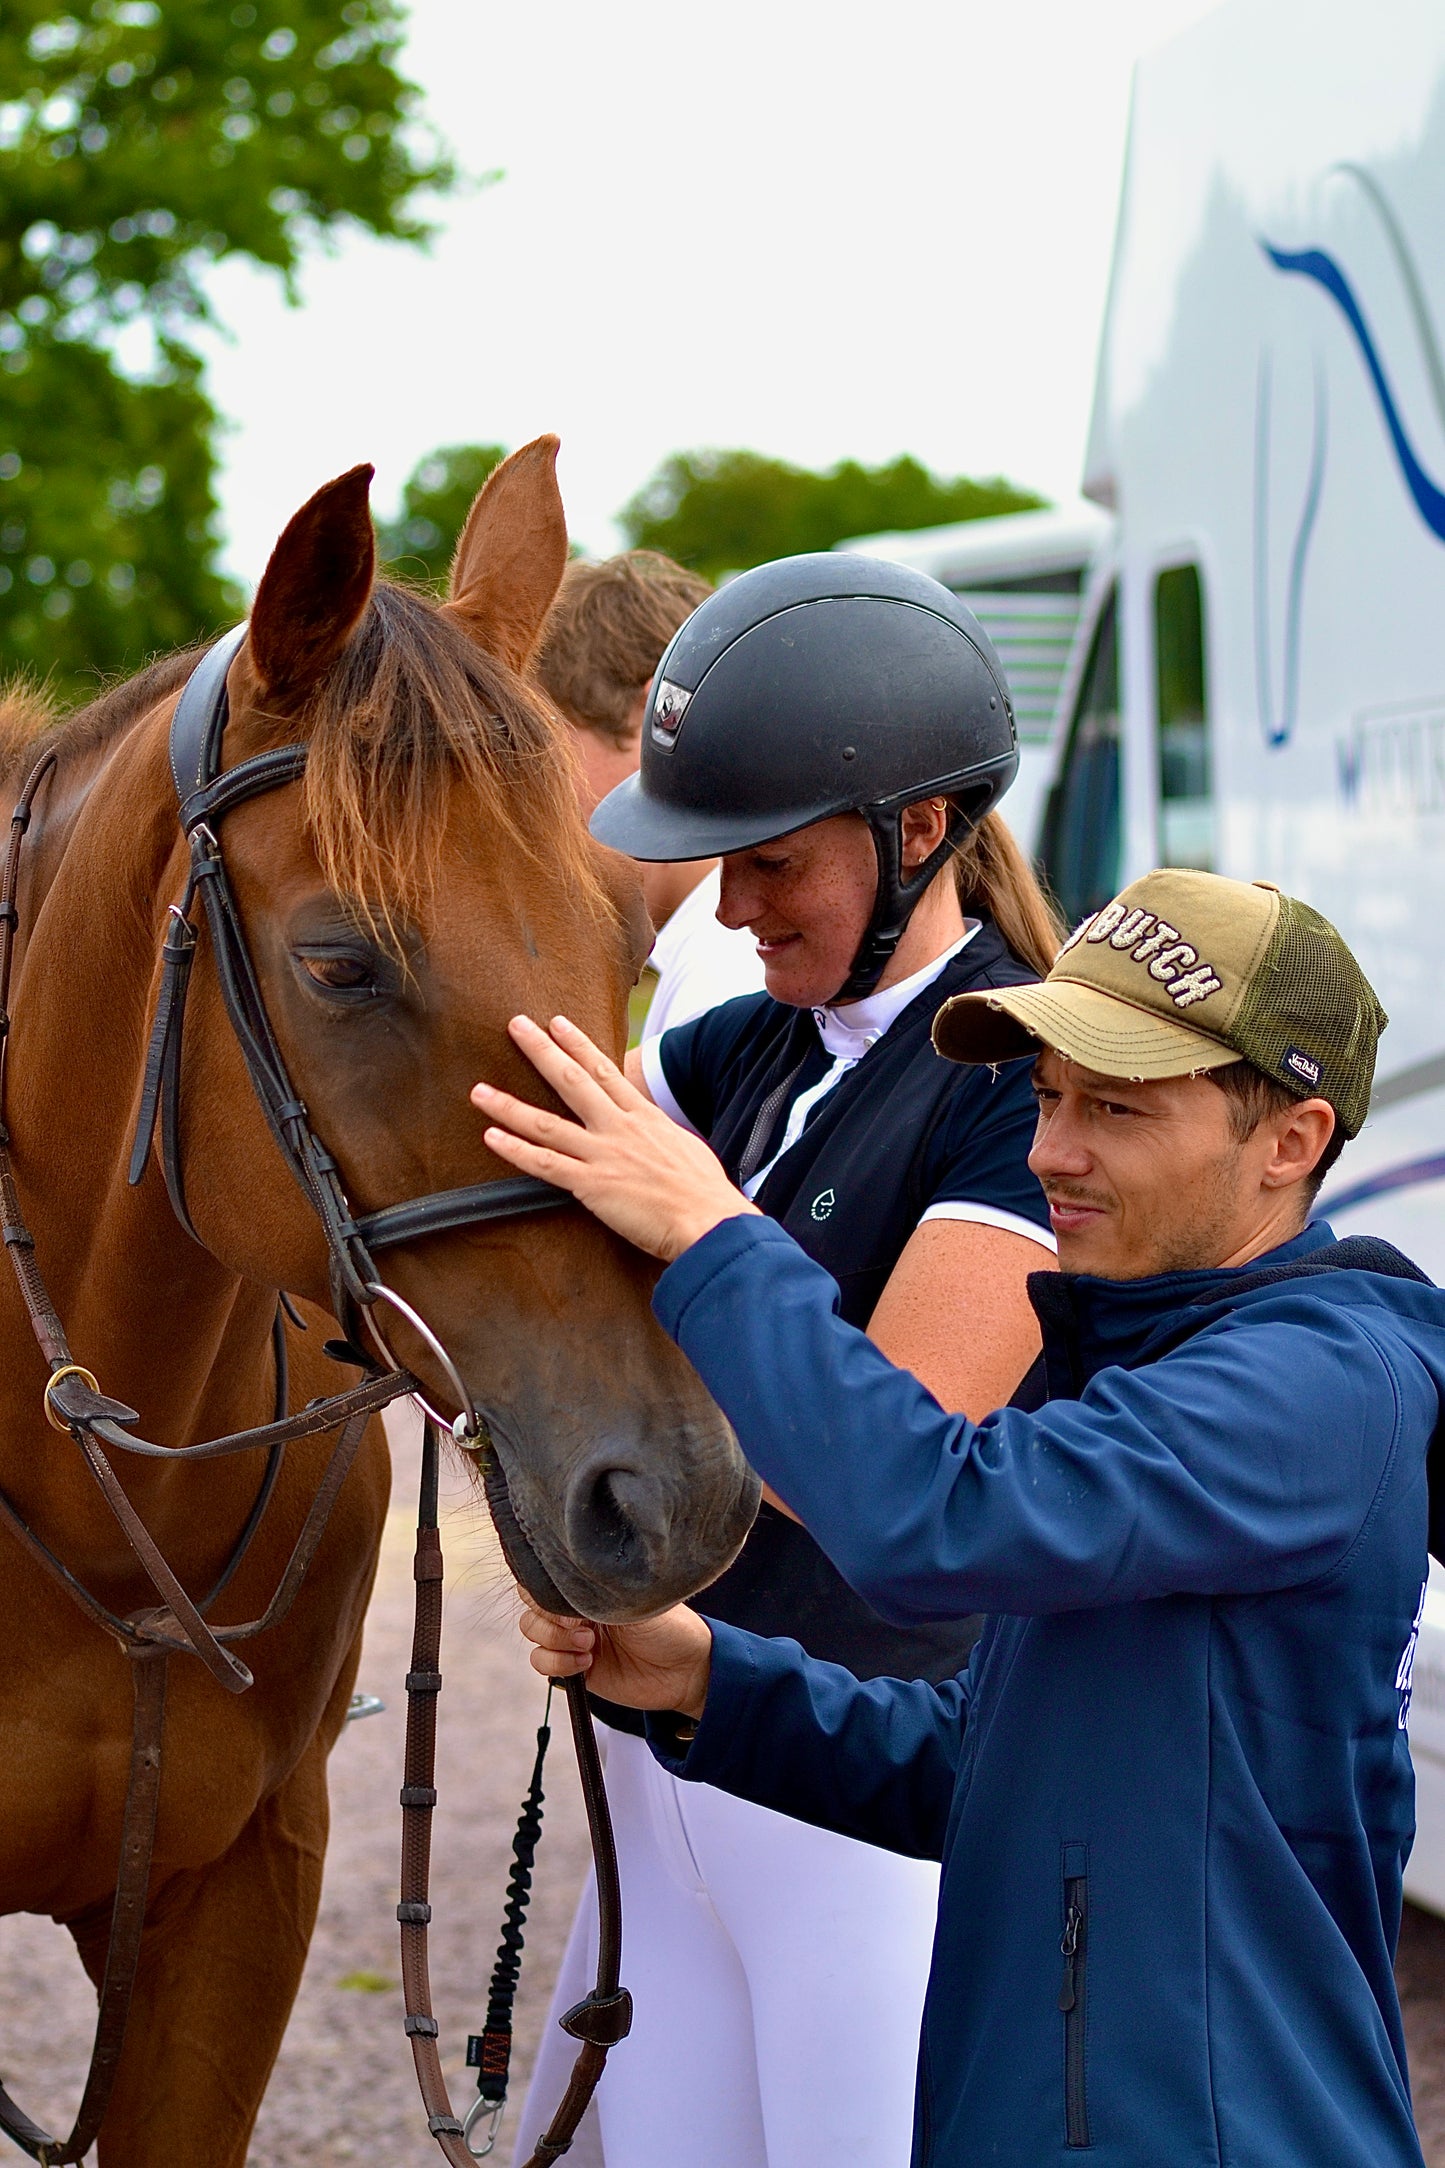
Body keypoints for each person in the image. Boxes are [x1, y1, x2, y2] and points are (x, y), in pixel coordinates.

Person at [477, 867, 1445, 2168]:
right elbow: (1002, 1768)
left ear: (1288, 1141)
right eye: (1045, 1099)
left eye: (1115, 1107)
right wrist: (711, 1681)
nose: (1052, 1151)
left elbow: (933, 1520)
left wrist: (713, 1236)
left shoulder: (1316, 1382)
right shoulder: (1154, 1357)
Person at [508, 553, 1062, 2168]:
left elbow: (895, 1460)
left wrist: (695, 1229)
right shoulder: (746, 1042)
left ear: (917, 830)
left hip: (864, 1782)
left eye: (767, 861)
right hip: (672, 1747)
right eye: (716, 864)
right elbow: (513, 1234)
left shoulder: (1017, 1068)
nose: (731, 908)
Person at [532, 549, 765, 1037]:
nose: (524, 800)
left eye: (540, 749)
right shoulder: (710, 950)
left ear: (656, 721)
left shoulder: (731, 968)